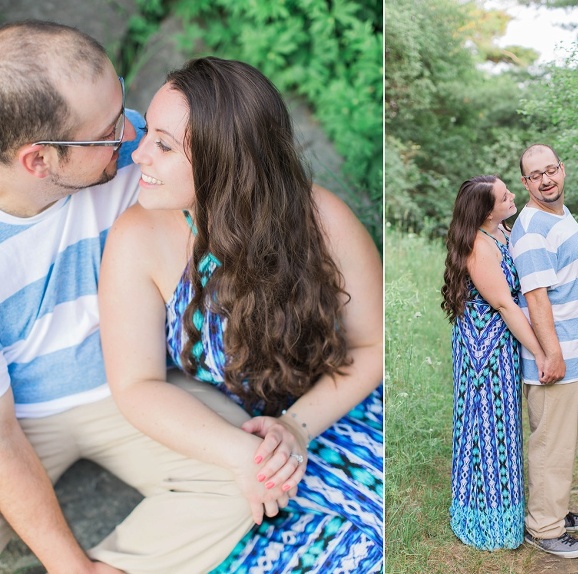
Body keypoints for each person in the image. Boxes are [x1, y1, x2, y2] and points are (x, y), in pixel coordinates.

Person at [97, 56, 384, 572]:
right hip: (223, 430)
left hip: (329, 409)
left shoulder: (323, 220)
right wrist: (245, 452)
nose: (137, 154)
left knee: (380, 539)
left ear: (223, 162)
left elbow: (372, 345)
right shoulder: (138, 237)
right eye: (148, 136)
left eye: (163, 145)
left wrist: (295, 427)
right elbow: (136, 384)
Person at [0, 21, 265, 573]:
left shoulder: (137, 144)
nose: (134, 139)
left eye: (124, 105)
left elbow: (224, 171)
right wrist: (67, 563)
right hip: (18, 422)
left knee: (255, 477)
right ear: (38, 161)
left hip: (133, 384)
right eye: (107, 132)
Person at [509, 144, 578, 559]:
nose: (546, 179)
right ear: (525, 182)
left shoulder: (559, 213)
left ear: (562, 169)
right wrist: (553, 354)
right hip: (556, 357)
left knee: (565, 440)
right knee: (551, 442)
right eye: (536, 175)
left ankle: (556, 509)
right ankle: (544, 527)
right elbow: (536, 298)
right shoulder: (531, 229)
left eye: (551, 170)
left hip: (576, 352)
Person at [440, 175, 546, 550]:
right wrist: (540, 351)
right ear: (486, 211)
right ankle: (485, 519)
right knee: (487, 426)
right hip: (483, 349)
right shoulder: (479, 248)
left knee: (503, 426)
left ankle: (509, 509)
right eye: (505, 196)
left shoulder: (501, 230)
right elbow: (504, 305)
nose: (513, 196)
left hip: (500, 343)